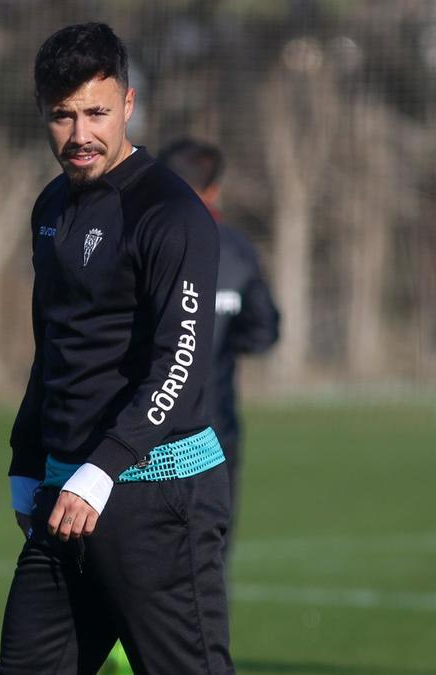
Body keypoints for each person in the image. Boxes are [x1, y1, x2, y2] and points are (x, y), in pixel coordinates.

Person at [0, 23, 233, 674]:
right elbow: (53, 346)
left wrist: (103, 470)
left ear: (128, 104)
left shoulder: (170, 214)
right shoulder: (51, 207)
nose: (80, 135)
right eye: (63, 116)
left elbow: (178, 364)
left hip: (157, 495)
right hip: (63, 495)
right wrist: (26, 459)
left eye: (96, 113)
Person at [159, 138, 281, 544]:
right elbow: (264, 332)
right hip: (214, 433)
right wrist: (221, 339)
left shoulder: (136, 241)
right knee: (208, 562)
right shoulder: (237, 251)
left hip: (140, 439)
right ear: (213, 189)